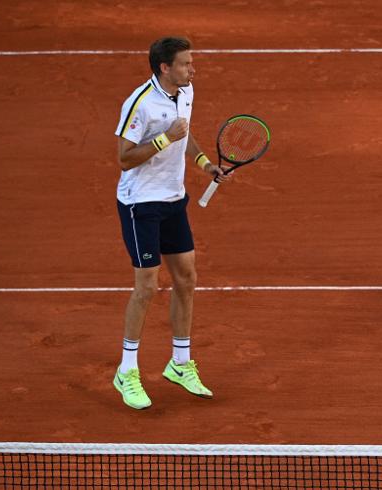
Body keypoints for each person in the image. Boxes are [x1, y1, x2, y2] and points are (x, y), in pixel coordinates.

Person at [112, 37, 230, 410]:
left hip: (173, 199)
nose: (192, 69)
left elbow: (185, 132)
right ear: (165, 67)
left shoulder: (186, 91)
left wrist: (204, 164)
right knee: (147, 287)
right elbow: (124, 158)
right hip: (140, 205)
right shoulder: (140, 103)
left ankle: (180, 363)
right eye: (184, 64)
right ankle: (126, 371)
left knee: (186, 278)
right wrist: (164, 138)